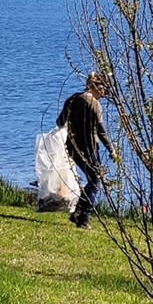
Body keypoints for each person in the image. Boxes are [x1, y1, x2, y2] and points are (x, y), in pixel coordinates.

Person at [57, 66, 116, 229]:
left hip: (72, 147)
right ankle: (83, 218)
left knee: (92, 179)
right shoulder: (94, 104)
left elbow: (60, 121)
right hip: (89, 148)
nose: (105, 92)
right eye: (104, 88)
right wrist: (112, 150)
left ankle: (78, 212)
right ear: (97, 86)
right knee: (95, 180)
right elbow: (101, 132)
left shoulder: (72, 98)